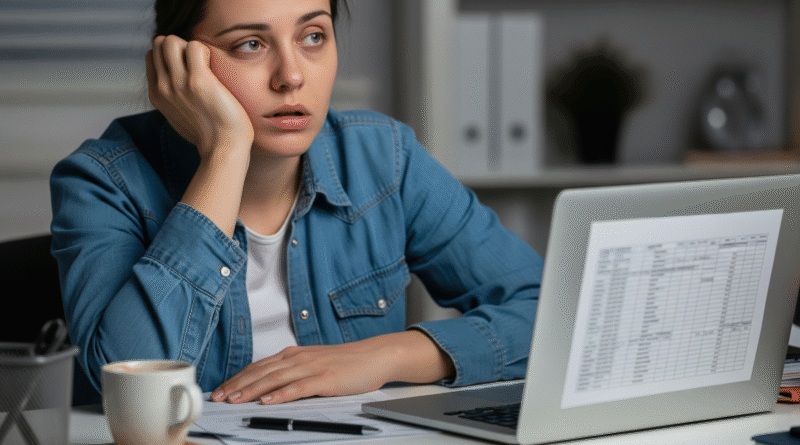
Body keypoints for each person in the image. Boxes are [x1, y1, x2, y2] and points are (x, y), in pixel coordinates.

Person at [50, 0, 543, 405]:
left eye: (313, 37)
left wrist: (384, 357)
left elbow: (551, 311)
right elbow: (122, 386)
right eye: (250, 44)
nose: (291, 76)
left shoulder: (383, 160)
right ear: (179, 65)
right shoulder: (102, 182)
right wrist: (225, 152)